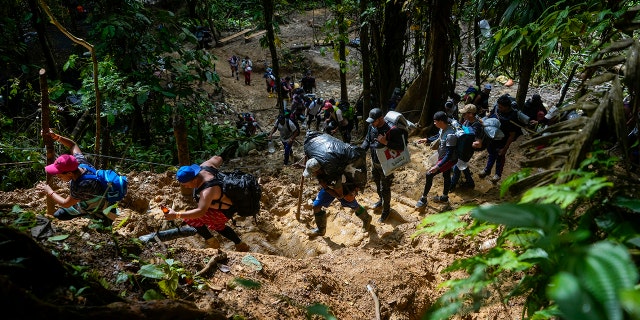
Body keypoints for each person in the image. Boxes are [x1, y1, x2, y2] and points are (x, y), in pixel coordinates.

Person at [163, 156, 250, 251]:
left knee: (190, 218)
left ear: (194, 180)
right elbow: (218, 158)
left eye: (186, 185)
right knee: (218, 226)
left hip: (225, 211)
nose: (186, 187)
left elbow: (200, 212)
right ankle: (240, 245)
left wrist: (176, 215)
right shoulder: (206, 166)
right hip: (223, 204)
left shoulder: (207, 191)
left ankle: (212, 242)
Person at [36, 130, 118, 225]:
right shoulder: (80, 163)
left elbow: (65, 203)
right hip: (86, 202)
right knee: (59, 215)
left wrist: (49, 191)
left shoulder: (83, 185)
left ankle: (102, 219)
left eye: (59, 174)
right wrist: (57, 137)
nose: (57, 176)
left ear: (70, 173)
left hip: (104, 209)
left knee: (101, 232)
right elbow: (73, 145)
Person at [303, 158, 372, 237]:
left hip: (341, 190)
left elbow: (340, 195)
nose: (312, 175)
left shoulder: (332, 176)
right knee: (316, 205)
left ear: (317, 171)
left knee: (354, 205)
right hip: (329, 187)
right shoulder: (321, 170)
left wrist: (325, 187)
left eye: (312, 172)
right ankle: (321, 230)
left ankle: (366, 218)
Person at [361, 108, 408, 222]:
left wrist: (385, 142)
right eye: (371, 121)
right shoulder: (372, 127)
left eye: (374, 121)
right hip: (375, 162)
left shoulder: (393, 130)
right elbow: (367, 140)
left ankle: (386, 211)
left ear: (381, 118)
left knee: (385, 188)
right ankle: (381, 201)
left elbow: (401, 147)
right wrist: (360, 151)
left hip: (387, 164)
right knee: (377, 183)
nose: (372, 123)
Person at [478, 94, 525, 183]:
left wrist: (505, 148)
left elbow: (512, 135)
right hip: (492, 136)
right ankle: (487, 170)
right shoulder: (496, 108)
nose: (499, 108)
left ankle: (497, 174)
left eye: (501, 107)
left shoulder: (512, 117)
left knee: (500, 155)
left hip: (503, 139)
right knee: (491, 153)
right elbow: (490, 116)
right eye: (498, 106)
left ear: (507, 107)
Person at [415, 111, 458, 208]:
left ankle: (423, 198)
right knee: (446, 175)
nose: (434, 123)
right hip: (443, 156)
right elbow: (438, 137)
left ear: (441, 121)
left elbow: (449, 154)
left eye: (435, 121)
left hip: (449, 159)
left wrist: (437, 166)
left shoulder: (451, 135)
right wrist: (427, 139)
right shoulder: (443, 129)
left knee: (429, 174)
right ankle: (444, 197)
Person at [450, 104, 483, 190]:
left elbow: (478, 144)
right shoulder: (467, 121)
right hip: (461, 148)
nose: (463, 115)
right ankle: (470, 182)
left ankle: (451, 187)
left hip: (467, 151)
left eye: (465, 114)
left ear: (471, 114)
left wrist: (467, 143)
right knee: (462, 165)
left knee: (457, 167)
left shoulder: (477, 126)